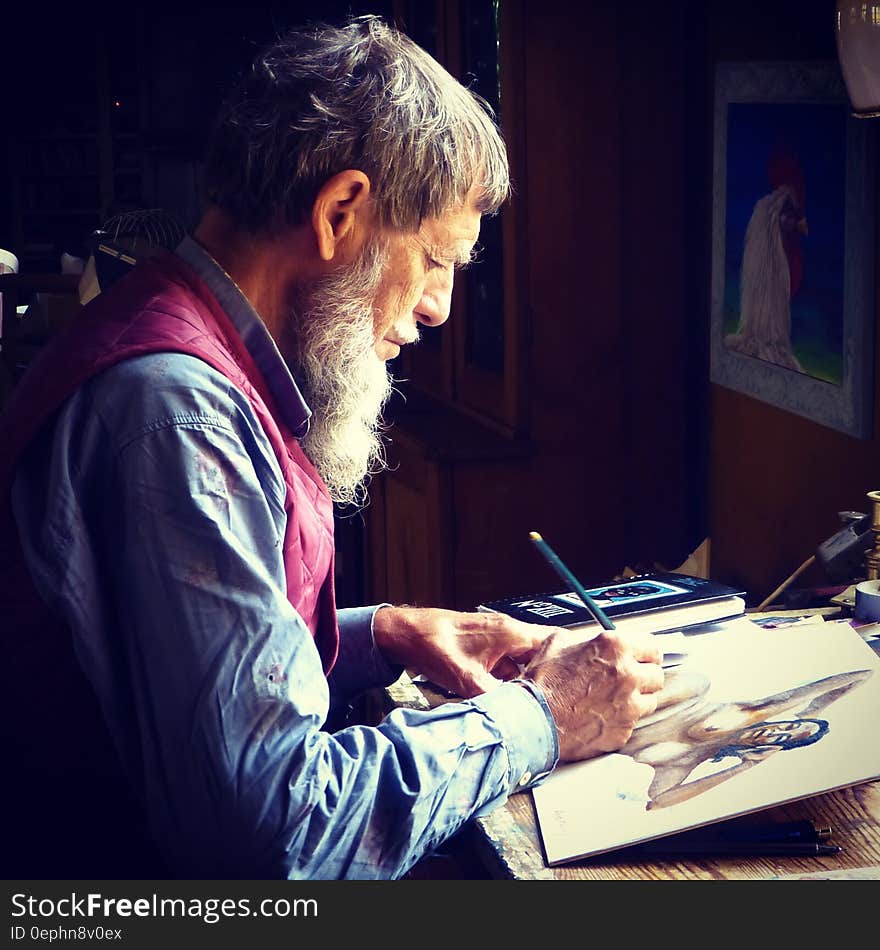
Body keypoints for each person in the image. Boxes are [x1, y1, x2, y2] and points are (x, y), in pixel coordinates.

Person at [0, 15, 664, 880]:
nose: (439, 308)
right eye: (432, 259)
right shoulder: (178, 414)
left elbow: (161, 660)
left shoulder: (183, 346)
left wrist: (383, 635)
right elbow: (280, 835)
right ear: (341, 211)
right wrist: (545, 716)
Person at [622, 665, 872, 809]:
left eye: (784, 738)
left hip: (606, 730)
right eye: (786, 727)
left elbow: (658, 802)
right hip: (633, 698)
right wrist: (812, 712)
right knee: (697, 683)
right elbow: (865, 675)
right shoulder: (750, 712)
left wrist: (745, 766)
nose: (777, 732)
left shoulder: (687, 759)